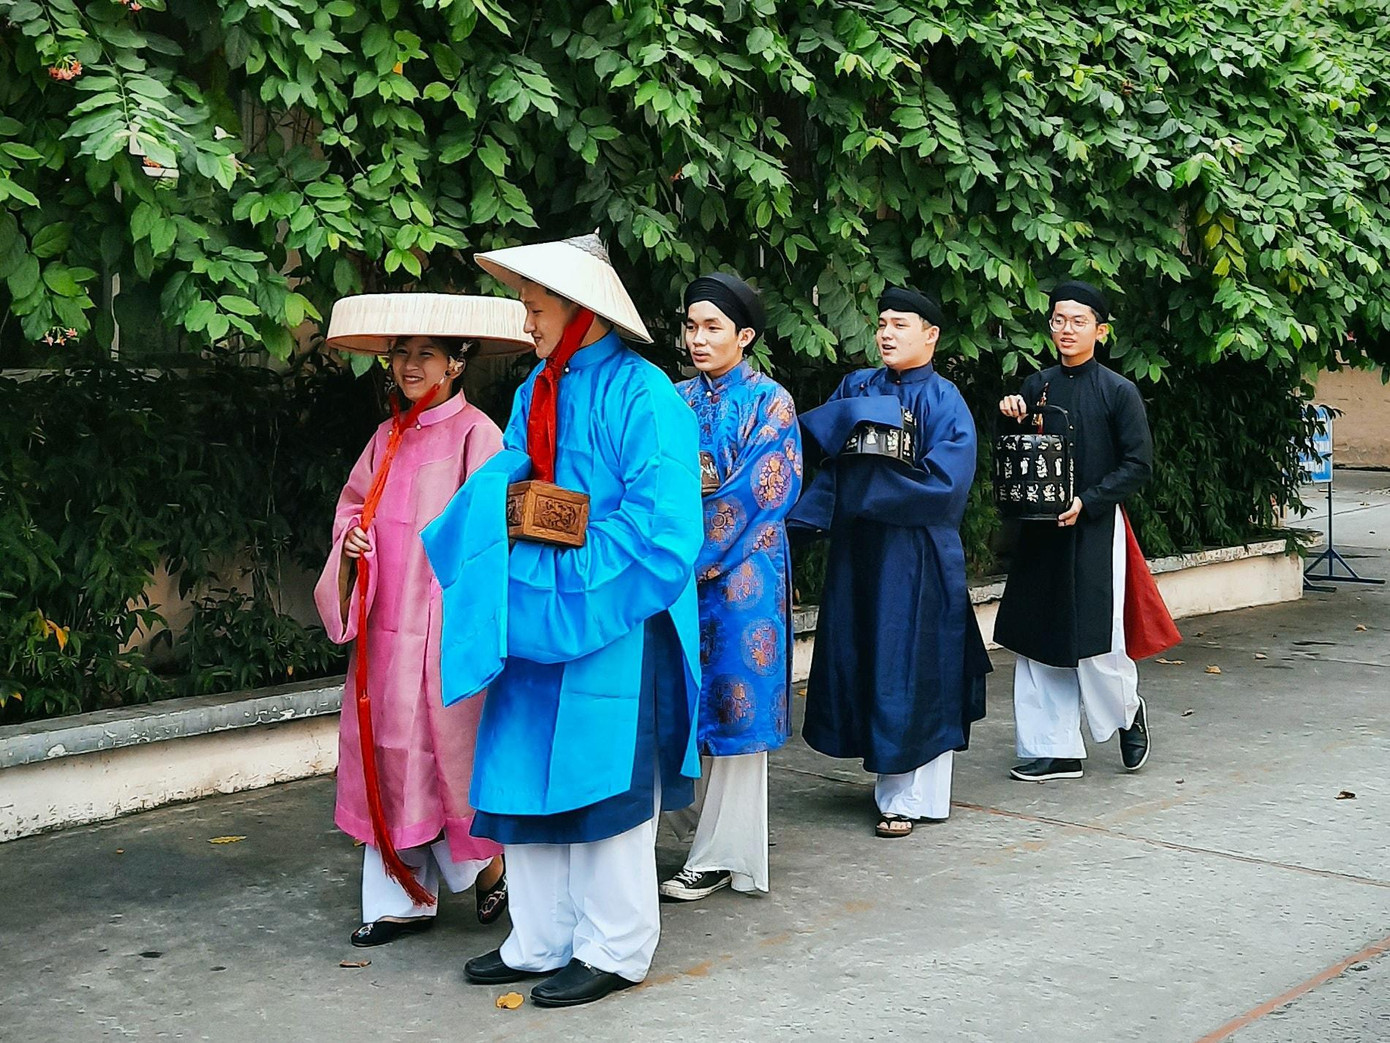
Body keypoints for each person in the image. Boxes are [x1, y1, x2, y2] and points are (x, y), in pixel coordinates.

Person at [421, 233, 703, 1008]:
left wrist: (568, 575)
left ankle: (615, 946)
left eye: (535, 307)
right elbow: (513, 476)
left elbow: (666, 530)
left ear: (581, 311)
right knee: (517, 772)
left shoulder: (647, 395)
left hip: (617, 617)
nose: (526, 321)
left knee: (603, 784)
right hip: (538, 604)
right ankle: (537, 936)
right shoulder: (537, 388)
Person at [315, 294, 531, 946]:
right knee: (388, 757)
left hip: (444, 635)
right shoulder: (384, 438)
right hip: (385, 630)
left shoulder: (478, 435)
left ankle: (491, 862)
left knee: (448, 758)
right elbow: (353, 515)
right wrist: (352, 548)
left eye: (426, 354)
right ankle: (398, 899)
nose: (410, 366)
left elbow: (494, 537)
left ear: (456, 363)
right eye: (402, 352)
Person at [788, 287, 989, 839]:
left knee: (912, 663)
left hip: (916, 554)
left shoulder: (946, 402)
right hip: (859, 554)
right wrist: (791, 530)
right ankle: (888, 784)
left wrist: (864, 485)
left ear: (931, 335)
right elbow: (830, 469)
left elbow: (944, 487)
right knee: (868, 657)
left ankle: (911, 797)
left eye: (900, 324)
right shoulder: (857, 387)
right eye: (881, 323)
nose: (886, 333)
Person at [994, 280, 1180, 782]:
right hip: (1041, 531)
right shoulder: (1036, 387)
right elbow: (1017, 461)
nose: (1066, 330)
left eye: (1078, 321)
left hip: (1096, 529)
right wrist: (1012, 420)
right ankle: (1054, 749)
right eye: (1058, 320)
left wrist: (1089, 501)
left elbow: (1138, 465)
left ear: (1100, 329)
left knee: (1099, 640)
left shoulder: (1119, 391)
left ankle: (1127, 711)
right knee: (1038, 638)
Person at [659, 274, 802, 902]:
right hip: (679, 575)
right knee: (685, 701)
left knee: (737, 709)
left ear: (744, 335)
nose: (698, 338)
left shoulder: (772, 402)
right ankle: (697, 841)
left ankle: (725, 854)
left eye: (713, 326)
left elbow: (760, 491)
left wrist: (681, 555)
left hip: (745, 574)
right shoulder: (671, 398)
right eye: (691, 325)